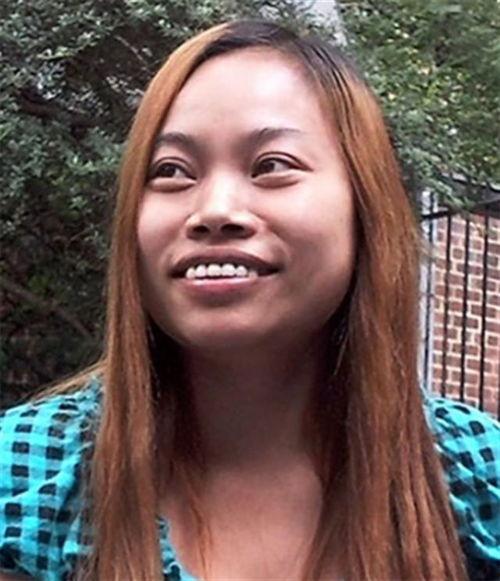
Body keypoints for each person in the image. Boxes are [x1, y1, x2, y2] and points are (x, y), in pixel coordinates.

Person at [1, 19, 499, 581]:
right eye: (170, 172)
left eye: (272, 166)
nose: (215, 210)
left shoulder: (474, 474)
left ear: (365, 210)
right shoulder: (26, 479)